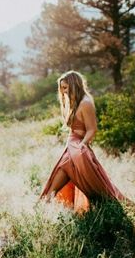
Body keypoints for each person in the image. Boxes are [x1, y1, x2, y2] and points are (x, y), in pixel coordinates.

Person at [40, 71, 127, 212]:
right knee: (57, 175)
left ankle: (46, 204)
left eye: (66, 87)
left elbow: (92, 129)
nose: (63, 92)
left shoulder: (86, 103)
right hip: (71, 146)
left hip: (78, 149)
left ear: (75, 85)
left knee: (93, 185)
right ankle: (45, 207)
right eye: (62, 88)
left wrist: (81, 146)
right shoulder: (75, 101)